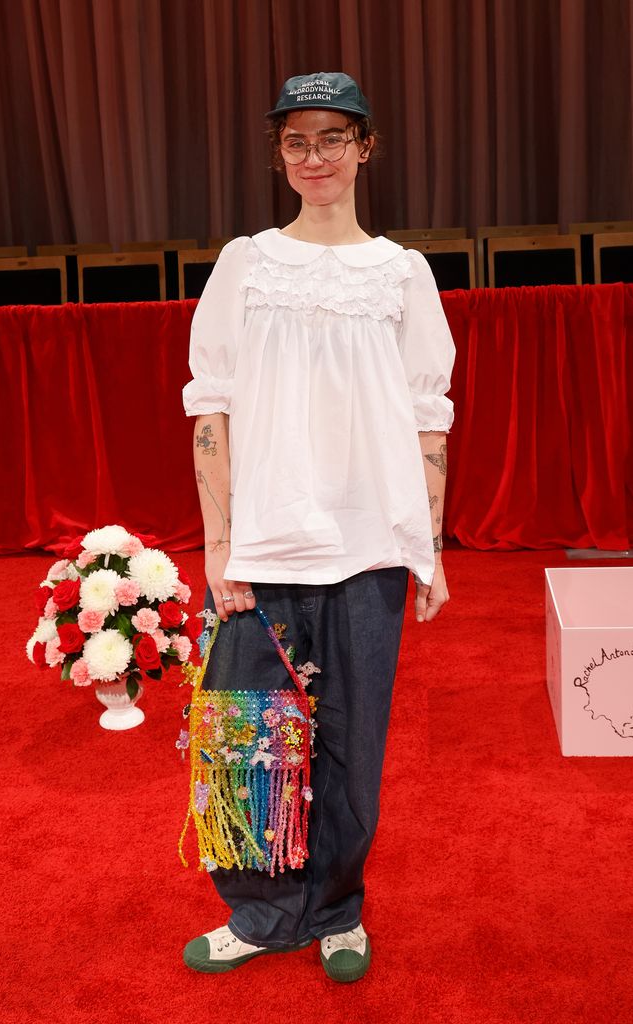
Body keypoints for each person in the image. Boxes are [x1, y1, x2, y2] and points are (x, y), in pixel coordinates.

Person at [181, 71, 455, 983]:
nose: (315, 157)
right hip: (264, 543)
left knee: (349, 738)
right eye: (297, 141)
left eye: (333, 138)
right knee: (248, 734)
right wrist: (221, 546)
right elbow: (210, 409)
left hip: (372, 544)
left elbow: (427, 415)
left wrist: (429, 547)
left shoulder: (402, 273)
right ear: (279, 154)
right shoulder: (245, 263)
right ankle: (261, 912)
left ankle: (336, 908)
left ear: (365, 147)